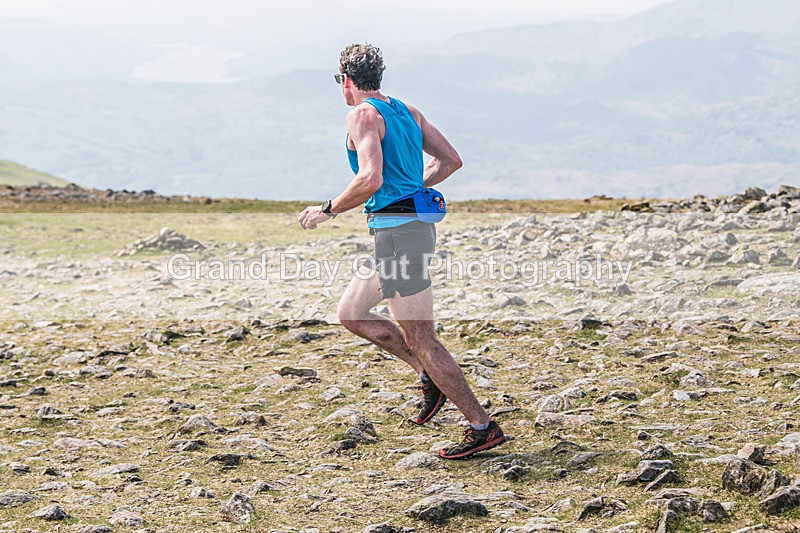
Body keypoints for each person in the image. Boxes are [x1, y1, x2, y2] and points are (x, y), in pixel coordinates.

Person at [298, 43, 506, 459]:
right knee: (351, 313)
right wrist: (414, 192)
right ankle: (427, 377)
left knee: (423, 338)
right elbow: (450, 161)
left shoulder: (361, 114)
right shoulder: (408, 111)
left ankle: (482, 427)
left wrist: (327, 210)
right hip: (408, 232)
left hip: (399, 238)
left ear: (347, 80)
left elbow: (371, 179)